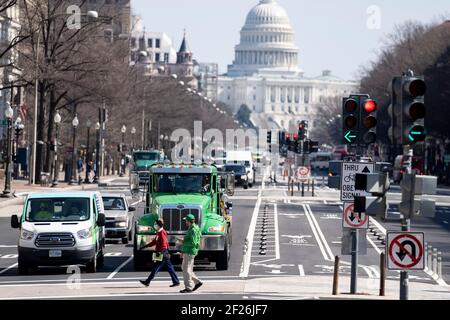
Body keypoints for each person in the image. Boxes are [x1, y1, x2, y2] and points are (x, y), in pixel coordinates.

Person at [139, 219, 180, 288]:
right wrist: (146, 246)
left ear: (158, 225)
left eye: (155, 224)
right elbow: (155, 241)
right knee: (169, 268)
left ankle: (147, 282)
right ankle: (176, 281)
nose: (155, 225)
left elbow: (164, 243)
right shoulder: (159, 232)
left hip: (162, 252)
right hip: (163, 252)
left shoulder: (161, 232)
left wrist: (160, 251)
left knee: (156, 267)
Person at [179, 214, 202, 293]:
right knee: (186, 268)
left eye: (186, 220)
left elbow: (193, 243)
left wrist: (182, 241)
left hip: (190, 251)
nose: (185, 222)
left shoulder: (193, 230)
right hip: (189, 251)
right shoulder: (193, 228)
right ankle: (197, 282)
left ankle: (188, 287)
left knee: (186, 269)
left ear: (189, 221)